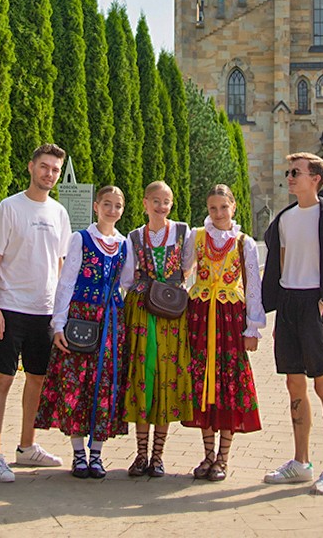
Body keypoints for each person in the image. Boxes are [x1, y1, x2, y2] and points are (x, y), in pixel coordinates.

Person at [260, 152, 323, 495]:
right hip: (289, 304)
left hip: (315, 304)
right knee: (294, 385)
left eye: (295, 172)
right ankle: (301, 463)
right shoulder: (284, 219)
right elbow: (280, 265)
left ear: (315, 178)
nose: (289, 177)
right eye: (289, 172)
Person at [0, 143, 73, 483]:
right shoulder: (10, 207)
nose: (49, 174)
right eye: (44, 167)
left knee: (37, 379)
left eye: (55, 170)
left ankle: (27, 446)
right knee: (2, 379)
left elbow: (62, 264)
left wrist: (60, 314)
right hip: (10, 308)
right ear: (31, 167)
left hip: (44, 311)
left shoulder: (59, 213)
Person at [33, 186, 134, 479]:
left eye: (117, 206)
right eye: (107, 204)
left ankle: (98, 454)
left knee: (104, 383)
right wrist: (58, 324)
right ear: (96, 206)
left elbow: (126, 282)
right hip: (81, 317)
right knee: (76, 382)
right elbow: (66, 282)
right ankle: (78, 453)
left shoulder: (124, 244)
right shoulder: (81, 239)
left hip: (111, 322)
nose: (112, 210)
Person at [183, 184, 264, 481]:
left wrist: (253, 327)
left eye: (223, 207)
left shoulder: (244, 243)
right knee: (202, 381)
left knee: (229, 382)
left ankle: (223, 458)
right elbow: (183, 271)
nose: (218, 213)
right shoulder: (197, 237)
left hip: (230, 317)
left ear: (233, 206)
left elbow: (253, 286)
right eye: (213, 208)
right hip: (201, 316)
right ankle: (207, 454)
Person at [120, 180, 194, 477]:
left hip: (172, 314)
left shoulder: (182, 232)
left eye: (166, 201)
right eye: (155, 201)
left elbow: (187, 267)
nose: (161, 207)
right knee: (143, 377)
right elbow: (128, 277)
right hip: (141, 312)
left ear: (171, 204)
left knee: (166, 378)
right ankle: (140, 454)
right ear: (145, 203)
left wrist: (166, 287)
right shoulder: (135, 236)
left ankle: (158, 455)